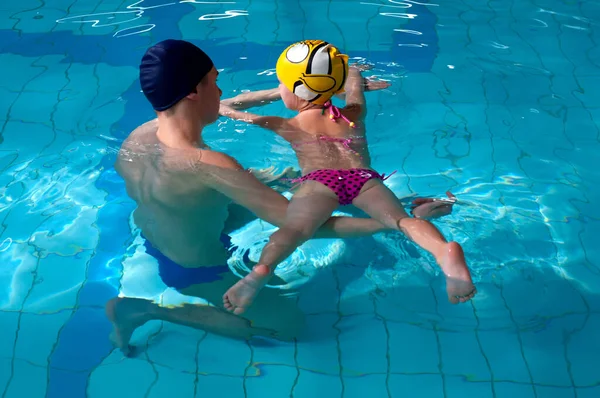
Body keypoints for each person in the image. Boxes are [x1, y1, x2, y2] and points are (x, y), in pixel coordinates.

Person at [106, 39, 395, 356]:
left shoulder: (140, 135)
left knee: (289, 179)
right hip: (196, 270)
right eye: (215, 83)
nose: (220, 93)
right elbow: (298, 225)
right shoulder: (206, 164)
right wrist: (390, 223)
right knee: (291, 327)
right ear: (191, 92)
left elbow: (233, 105)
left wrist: (304, 93)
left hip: (169, 230)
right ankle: (146, 311)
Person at [219, 40, 477, 315]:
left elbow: (225, 107)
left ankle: (262, 269)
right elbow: (353, 80)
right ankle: (442, 252)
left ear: (295, 88)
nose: (279, 89)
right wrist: (347, 76)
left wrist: (275, 93)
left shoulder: (285, 124)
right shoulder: (354, 111)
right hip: (362, 178)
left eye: (282, 84)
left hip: (320, 181)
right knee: (402, 221)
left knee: (295, 230)